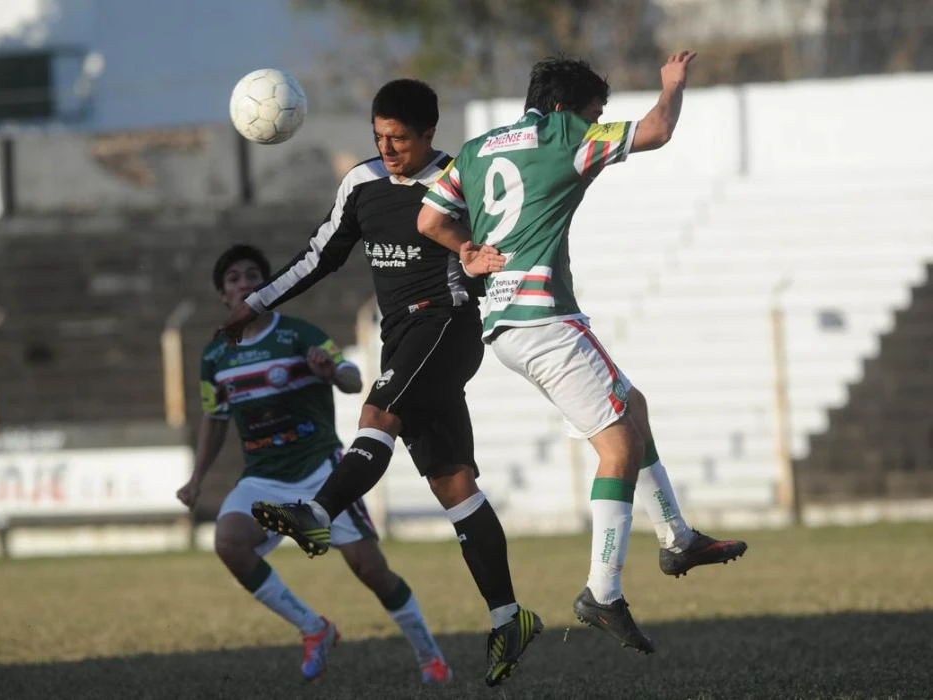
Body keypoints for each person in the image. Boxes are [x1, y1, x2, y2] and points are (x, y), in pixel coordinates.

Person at [417, 52, 748, 654]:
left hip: (505, 321)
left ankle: (677, 536)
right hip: (545, 318)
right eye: (597, 111)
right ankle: (603, 591)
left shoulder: (478, 147)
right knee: (617, 446)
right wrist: (671, 86)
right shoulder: (566, 131)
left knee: (632, 407)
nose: (601, 121)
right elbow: (657, 131)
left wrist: (468, 248)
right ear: (569, 107)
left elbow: (428, 218)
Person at [215, 80, 540, 687]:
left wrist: (479, 277)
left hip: (446, 328)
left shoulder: (460, 182)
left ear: (429, 136)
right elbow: (319, 255)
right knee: (455, 485)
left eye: (399, 139)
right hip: (403, 340)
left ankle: (317, 512)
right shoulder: (362, 184)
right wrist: (256, 303)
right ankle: (509, 617)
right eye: (378, 136)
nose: (387, 149)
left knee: (377, 413)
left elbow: (494, 255)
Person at [177, 244, 453, 684]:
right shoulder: (214, 356)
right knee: (228, 541)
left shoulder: (299, 334)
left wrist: (329, 371)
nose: (244, 282)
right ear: (223, 295)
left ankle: (430, 657)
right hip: (264, 476)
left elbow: (353, 379)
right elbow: (215, 417)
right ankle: (314, 628)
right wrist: (197, 479)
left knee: (370, 570)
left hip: (322, 472)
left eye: (253, 275)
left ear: (267, 288)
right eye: (233, 278)